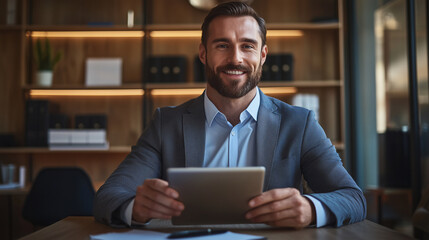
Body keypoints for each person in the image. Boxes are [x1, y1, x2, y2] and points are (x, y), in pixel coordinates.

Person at [94, 1, 366, 228]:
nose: (235, 58)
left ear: (262, 55)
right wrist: (135, 207)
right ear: (203, 53)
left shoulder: (300, 123)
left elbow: (353, 198)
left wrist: (310, 209)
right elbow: (108, 196)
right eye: (222, 45)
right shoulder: (167, 123)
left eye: (247, 46)